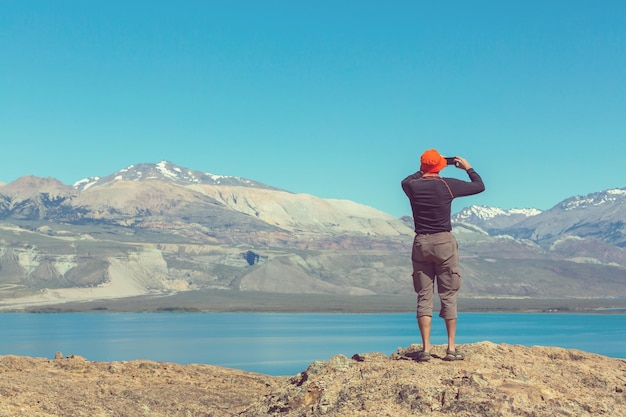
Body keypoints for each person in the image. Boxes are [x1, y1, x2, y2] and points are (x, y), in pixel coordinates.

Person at [401, 149, 485, 362]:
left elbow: (407, 178)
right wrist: (467, 168)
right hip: (444, 243)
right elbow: (479, 186)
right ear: (439, 166)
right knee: (448, 294)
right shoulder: (447, 185)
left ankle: (426, 349)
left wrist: (430, 166)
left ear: (422, 167)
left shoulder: (412, 186)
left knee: (424, 295)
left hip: (421, 243)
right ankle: (451, 348)